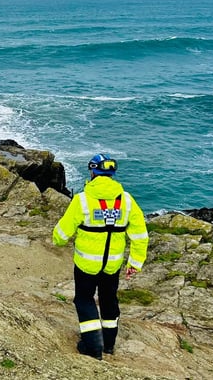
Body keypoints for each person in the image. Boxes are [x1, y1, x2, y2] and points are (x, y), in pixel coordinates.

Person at [52, 153, 149, 360]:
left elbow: (61, 235)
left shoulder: (82, 200)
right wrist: (135, 262)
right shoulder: (127, 201)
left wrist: (58, 239)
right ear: (112, 174)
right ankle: (109, 345)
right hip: (112, 264)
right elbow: (140, 235)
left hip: (86, 264)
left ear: (92, 171)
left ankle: (93, 348)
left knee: (84, 300)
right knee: (108, 300)